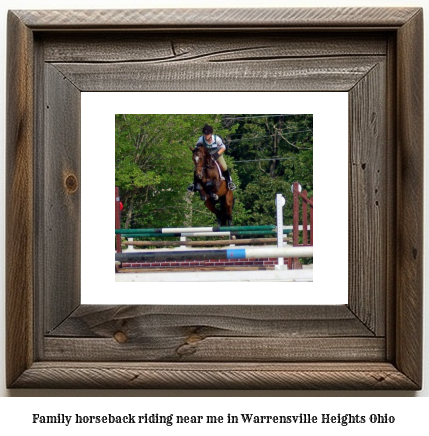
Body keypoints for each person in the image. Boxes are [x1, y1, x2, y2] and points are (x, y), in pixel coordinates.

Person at [188, 124, 236, 194]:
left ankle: (229, 182)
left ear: (211, 134)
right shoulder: (201, 139)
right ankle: (194, 184)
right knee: (197, 168)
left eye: (207, 134)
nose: (206, 136)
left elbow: (223, 147)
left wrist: (216, 154)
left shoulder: (217, 139)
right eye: (205, 134)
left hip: (217, 154)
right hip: (206, 157)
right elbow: (197, 149)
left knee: (224, 167)